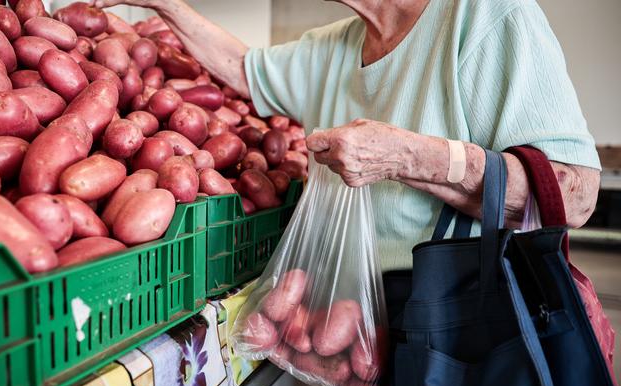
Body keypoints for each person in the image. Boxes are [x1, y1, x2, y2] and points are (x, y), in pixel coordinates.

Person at [91, 0, 600, 276]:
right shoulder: (335, 44)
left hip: (457, 312)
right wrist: (165, 5)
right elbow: (244, 71)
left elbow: (574, 195)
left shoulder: (489, 16)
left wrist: (408, 156)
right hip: (348, 312)